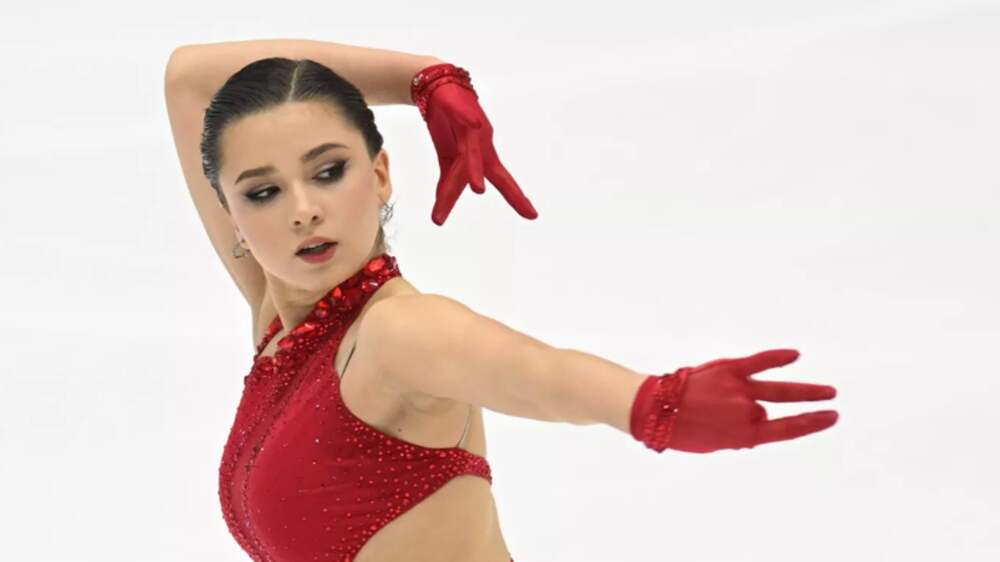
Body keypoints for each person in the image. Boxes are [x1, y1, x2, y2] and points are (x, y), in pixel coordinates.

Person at [164, 39, 839, 562]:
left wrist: (649, 403)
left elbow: (533, 371)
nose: (303, 210)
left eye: (329, 171)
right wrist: (423, 78)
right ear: (230, 215)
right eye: (263, 192)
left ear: (380, 173)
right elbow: (189, 77)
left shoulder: (395, 332)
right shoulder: (281, 324)